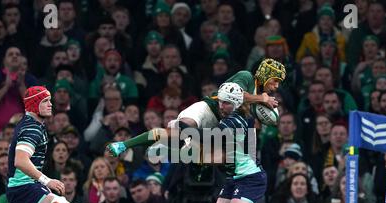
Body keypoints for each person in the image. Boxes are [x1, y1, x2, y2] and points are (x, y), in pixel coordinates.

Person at [106, 58, 286, 157]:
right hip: (209, 108)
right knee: (185, 125)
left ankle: (181, 146)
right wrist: (260, 98)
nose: (276, 86)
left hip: (221, 125)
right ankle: (124, 145)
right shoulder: (246, 77)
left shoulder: (260, 101)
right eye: (275, 80)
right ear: (265, 75)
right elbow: (236, 93)